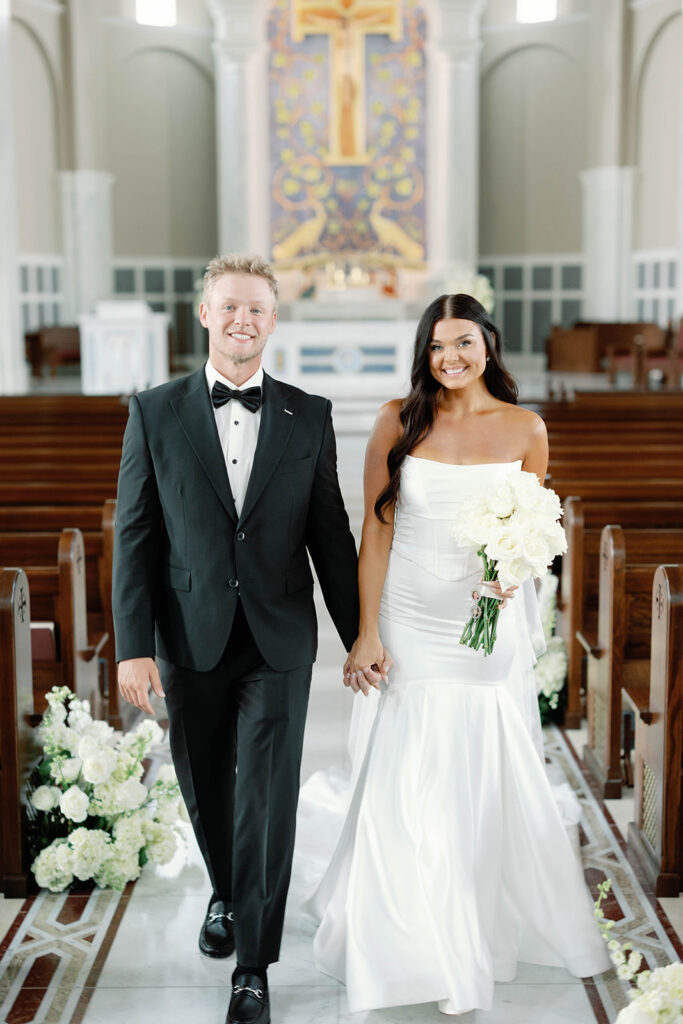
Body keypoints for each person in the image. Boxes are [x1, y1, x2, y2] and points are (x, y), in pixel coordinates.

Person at [304, 293, 610, 1016]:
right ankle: (408, 932)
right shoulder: (396, 421)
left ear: (488, 344)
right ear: (424, 352)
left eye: (464, 343)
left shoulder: (526, 428)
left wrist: (511, 575)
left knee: (477, 755)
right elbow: (374, 531)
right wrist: (366, 631)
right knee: (408, 759)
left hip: (484, 622)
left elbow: (533, 526)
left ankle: (472, 908)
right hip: (409, 612)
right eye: (438, 346)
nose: (450, 359)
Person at [112, 254, 372, 1024]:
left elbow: (332, 536)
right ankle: (225, 890)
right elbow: (134, 537)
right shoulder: (153, 412)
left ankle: (252, 967)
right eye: (228, 307)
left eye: (256, 308)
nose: (241, 321)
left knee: (266, 796)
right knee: (205, 785)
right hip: (187, 632)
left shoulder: (308, 414)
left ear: (272, 318)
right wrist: (132, 644)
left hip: (278, 638)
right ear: (205, 314)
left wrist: (359, 637)